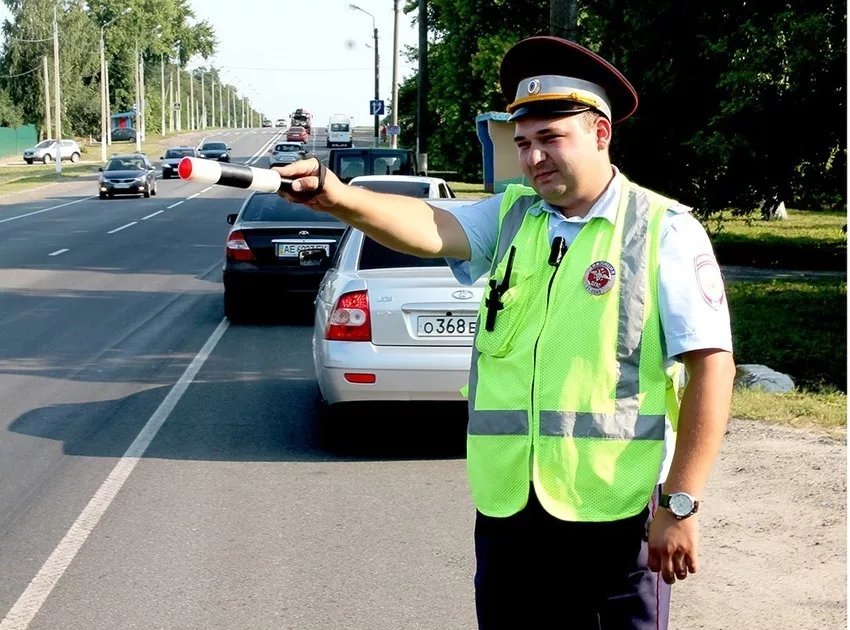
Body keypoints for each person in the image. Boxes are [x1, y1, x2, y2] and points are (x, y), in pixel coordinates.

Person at [275, 35, 735, 630]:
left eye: (551, 139)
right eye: (523, 144)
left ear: (601, 135)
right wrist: (340, 197)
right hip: (510, 511)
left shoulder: (663, 230)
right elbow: (426, 225)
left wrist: (680, 502)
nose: (535, 158)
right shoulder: (515, 215)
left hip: (613, 514)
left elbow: (712, 366)